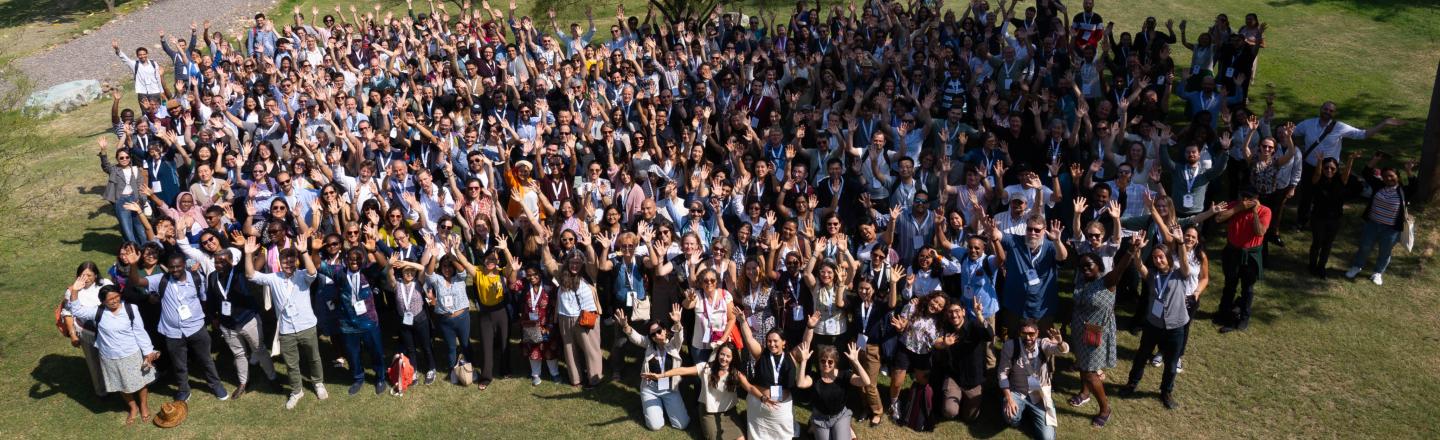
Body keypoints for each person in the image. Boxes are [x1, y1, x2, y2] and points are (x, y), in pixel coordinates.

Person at [126, 249, 227, 402]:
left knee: (205, 359)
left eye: (178, 266)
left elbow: (204, 299)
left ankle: (215, 384)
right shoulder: (161, 279)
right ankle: (184, 389)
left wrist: (209, 318)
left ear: (184, 265)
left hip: (196, 328)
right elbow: (137, 282)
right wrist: (133, 265)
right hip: (172, 332)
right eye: (171, 267)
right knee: (179, 364)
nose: (175, 270)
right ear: (167, 267)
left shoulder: (196, 278)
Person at [243, 235, 326, 409]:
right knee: (291, 363)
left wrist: (304, 251)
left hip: (307, 326)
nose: (288, 265)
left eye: (291, 262)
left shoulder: (303, 275)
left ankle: (318, 383)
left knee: (314, 358)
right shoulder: (273, 278)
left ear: (296, 262)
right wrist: (248, 255)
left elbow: (313, 272)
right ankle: (297, 391)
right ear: (280, 263)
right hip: (286, 329)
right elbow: (250, 275)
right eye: (285, 262)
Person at [1293, 101, 1403, 229]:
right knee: (1307, 195)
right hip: (1310, 167)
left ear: (1334, 113)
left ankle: (1325, 222)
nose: (1327, 112)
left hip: (1330, 170)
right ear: (1320, 109)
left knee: (1329, 197)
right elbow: (1292, 133)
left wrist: (1384, 123)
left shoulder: (1339, 127)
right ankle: (1301, 221)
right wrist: (1294, 150)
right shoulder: (1308, 124)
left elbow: (1363, 134)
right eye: (1325, 109)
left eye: (1331, 110)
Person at [1118, 231, 1195, 409]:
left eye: (1161, 257)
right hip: (1153, 324)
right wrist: (1137, 250)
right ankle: (1132, 383)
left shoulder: (1180, 274)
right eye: (1154, 258)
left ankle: (1166, 392)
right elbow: (1139, 266)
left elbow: (1185, 263)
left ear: (1168, 257)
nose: (1157, 260)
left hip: (1176, 326)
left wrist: (1181, 243)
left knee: (1172, 362)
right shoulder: (1153, 275)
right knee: (1141, 356)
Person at [66, 284, 158, 425]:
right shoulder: (98, 312)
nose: (115, 300)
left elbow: (139, 331)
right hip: (109, 357)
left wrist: (148, 351)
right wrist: (75, 291)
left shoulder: (130, 309)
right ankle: (133, 407)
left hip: (131, 353)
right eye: (110, 299)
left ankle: (143, 405)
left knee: (140, 382)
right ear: (103, 301)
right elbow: (76, 310)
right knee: (121, 384)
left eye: (116, 296)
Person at [203, 247, 275, 400]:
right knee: (238, 354)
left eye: (223, 261)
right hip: (227, 324)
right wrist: (213, 317)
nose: (219, 264)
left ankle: (272, 377)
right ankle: (243, 382)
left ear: (231, 261)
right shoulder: (212, 277)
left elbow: (250, 266)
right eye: (216, 262)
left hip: (248, 320)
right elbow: (211, 299)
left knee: (260, 350)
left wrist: (246, 250)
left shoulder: (239, 273)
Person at [645, 344, 743, 440]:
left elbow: (750, 388)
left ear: (732, 358)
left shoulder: (735, 373)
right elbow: (682, 370)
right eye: (722, 354)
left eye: (728, 356)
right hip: (709, 412)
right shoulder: (706, 368)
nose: (724, 358)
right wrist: (661, 376)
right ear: (717, 354)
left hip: (728, 412)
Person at [617, 304, 689, 431]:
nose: (656, 335)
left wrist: (677, 323)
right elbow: (636, 338)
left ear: (665, 330)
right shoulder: (649, 344)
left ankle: (667, 406)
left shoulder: (674, 345)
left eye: (659, 331)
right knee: (655, 426)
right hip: (650, 389)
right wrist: (625, 325)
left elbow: (679, 336)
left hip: (669, 388)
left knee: (682, 424)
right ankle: (653, 405)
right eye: (653, 334)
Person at [1345, 158, 1417, 285]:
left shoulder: (1403, 191)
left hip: (1391, 229)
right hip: (1372, 224)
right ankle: (1357, 266)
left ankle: (1378, 273)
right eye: (1385, 176)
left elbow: (1414, 186)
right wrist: (1375, 159)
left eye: (1391, 176)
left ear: (1398, 177)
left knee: (1385, 251)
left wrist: (1408, 170)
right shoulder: (1379, 185)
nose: (1388, 178)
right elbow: (1366, 173)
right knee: (1365, 247)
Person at [998, 320, 1069, 440]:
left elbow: (1064, 351)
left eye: (1031, 334)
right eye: (1024, 333)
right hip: (1017, 391)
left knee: (1048, 438)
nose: (1028, 337)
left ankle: (1033, 413)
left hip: (1039, 393)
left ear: (1037, 333)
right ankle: (1020, 416)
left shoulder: (1043, 343)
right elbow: (1002, 374)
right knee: (1011, 418)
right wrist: (1009, 398)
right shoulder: (1010, 346)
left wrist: (1060, 342)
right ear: (1019, 333)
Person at [999, 215, 1069, 334]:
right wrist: (987, 226)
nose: (1032, 232)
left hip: (1042, 306)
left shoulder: (1051, 246)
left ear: (1044, 230)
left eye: (1037, 230)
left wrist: (1057, 241)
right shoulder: (1015, 241)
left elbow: (1062, 257)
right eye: (1029, 229)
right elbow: (998, 235)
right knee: (1014, 340)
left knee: (1044, 342)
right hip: (1016, 304)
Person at [1214, 188, 1269, 333]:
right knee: (1229, 284)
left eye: (1247, 199)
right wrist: (1237, 209)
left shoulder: (1265, 211)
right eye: (1241, 198)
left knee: (1248, 289)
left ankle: (1244, 318)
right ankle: (1223, 313)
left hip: (1250, 255)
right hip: (1232, 252)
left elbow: (1260, 232)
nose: (1243, 202)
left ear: (1255, 199)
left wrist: (1254, 212)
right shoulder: (1235, 205)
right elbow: (1218, 218)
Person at [795, 342, 873, 440]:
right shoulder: (814, 377)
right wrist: (803, 361)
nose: (826, 364)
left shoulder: (844, 375)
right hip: (820, 417)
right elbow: (800, 384)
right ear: (819, 362)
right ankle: (813, 425)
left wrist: (856, 361)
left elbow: (866, 382)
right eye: (823, 361)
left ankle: (846, 427)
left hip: (840, 416)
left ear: (835, 363)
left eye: (830, 362)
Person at [934, 298, 994, 425]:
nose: (954, 315)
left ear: (964, 312)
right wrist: (944, 343)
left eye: (957, 311)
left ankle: (965, 401)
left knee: (970, 417)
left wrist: (980, 316)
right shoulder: (946, 327)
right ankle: (952, 399)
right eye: (950, 312)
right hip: (954, 377)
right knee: (949, 411)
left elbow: (989, 335)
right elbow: (935, 342)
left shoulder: (974, 325)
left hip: (973, 379)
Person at [61, 262, 114, 396]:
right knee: (94, 362)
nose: (86, 278)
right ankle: (101, 391)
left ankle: (116, 385)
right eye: (82, 275)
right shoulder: (71, 291)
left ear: (96, 275)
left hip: (108, 330)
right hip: (87, 332)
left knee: (112, 357)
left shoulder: (106, 284)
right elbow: (67, 313)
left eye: (89, 275)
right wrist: (73, 334)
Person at [1305, 154, 1356, 278]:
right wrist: (1319, 161)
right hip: (1318, 217)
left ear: (1336, 170)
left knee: (1328, 244)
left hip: (1335, 218)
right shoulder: (1317, 180)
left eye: (1332, 168)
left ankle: (1321, 266)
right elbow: (1317, 174)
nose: (1329, 170)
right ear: (1322, 169)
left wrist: (1350, 159)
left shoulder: (1340, 180)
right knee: (1317, 242)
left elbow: (1347, 173)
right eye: (1326, 168)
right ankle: (1312, 265)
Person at [98, 138, 148, 244]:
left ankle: (145, 248)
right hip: (121, 201)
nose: (124, 159)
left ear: (130, 158)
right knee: (127, 229)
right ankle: (133, 251)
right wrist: (103, 151)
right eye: (121, 158)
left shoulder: (135, 170)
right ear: (117, 159)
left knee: (140, 228)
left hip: (135, 200)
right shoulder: (115, 170)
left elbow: (141, 188)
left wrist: (142, 200)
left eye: (126, 157)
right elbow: (105, 165)